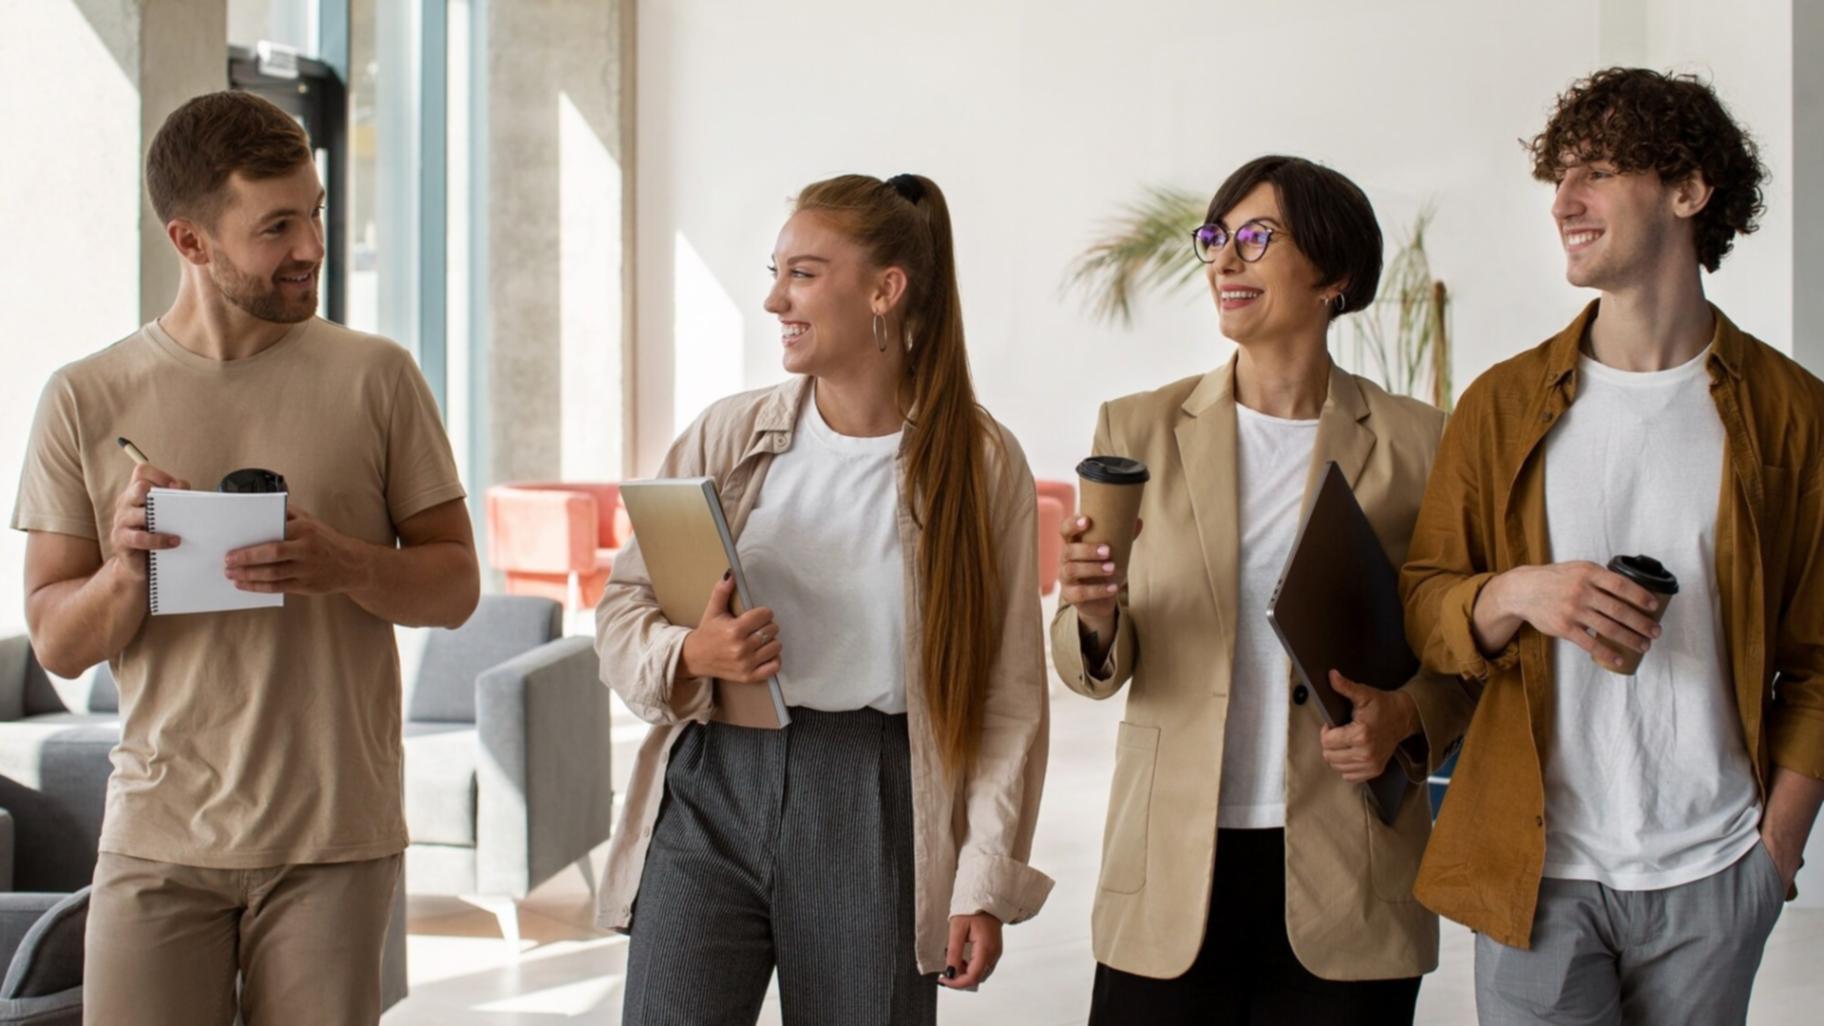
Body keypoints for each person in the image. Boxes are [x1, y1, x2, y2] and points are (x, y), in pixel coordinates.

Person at [14, 90, 477, 1025]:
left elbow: (457, 586)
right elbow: (59, 645)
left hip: (333, 840)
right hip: (156, 835)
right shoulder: (84, 398)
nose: (310, 245)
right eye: (276, 227)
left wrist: (346, 563)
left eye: (313, 213)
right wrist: (123, 569)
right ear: (191, 242)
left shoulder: (377, 376)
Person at [1401, 67, 1824, 1026]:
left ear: (1687, 190)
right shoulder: (1502, 405)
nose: (1564, 203)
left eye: (1595, 172)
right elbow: (1426, 604)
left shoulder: (1794, 415)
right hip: (1536, 873)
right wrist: (1514, 593)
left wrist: (1775, 856)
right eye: (1558, 178)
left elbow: (1819, 659)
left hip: (1718, 872)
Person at [594, 173, 1052, 1025]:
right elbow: (624, 610)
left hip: (875, 796)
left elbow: (1010, 695)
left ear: (885, 289)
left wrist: (983, 880)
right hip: (712, 782)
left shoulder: (981, 465)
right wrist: (692, 654)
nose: (775, 299)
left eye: (803, 273)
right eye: (777, 272)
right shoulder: (727, 436)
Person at [1052, 155, 1475, 1025]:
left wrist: (1406, 716)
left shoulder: (1421, 442)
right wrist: (1094, 613)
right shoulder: (1136, 428)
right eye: (1216, 237)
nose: (1223, 260)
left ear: (1335, 275)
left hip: (1349, 869)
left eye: (1256, 237)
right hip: (1171, 867)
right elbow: (1090, 664)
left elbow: (1464, 651)